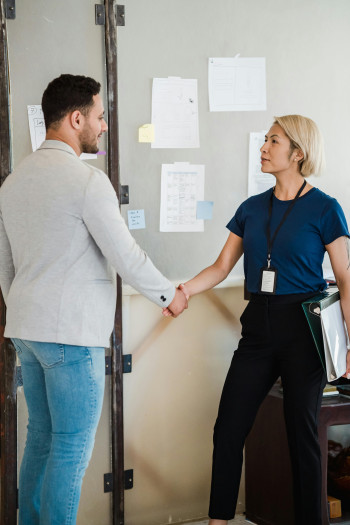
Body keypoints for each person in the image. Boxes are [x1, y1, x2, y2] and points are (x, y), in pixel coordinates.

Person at [0, 74, 187, 525]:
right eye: (100, 117)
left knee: (41, 439)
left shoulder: (12, 183)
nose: (103, 127)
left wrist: (28, 311)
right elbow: (126, 254)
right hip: (71, 337)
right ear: (76, 117)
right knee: (70, 449)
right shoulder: (86, 181)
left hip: (26, 331)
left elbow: (5, 268)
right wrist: (169, 294)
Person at [164, 115, 350, 524]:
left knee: (301, 436)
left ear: (297, 154)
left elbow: (345, 277)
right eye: (265, 140)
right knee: (228, 429)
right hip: (258, 329)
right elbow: (220, 266)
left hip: (305, 330)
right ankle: (219, 520)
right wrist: (185, 291)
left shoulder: (325, 208)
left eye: (273, 141)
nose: (263, 148)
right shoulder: (250, 208)